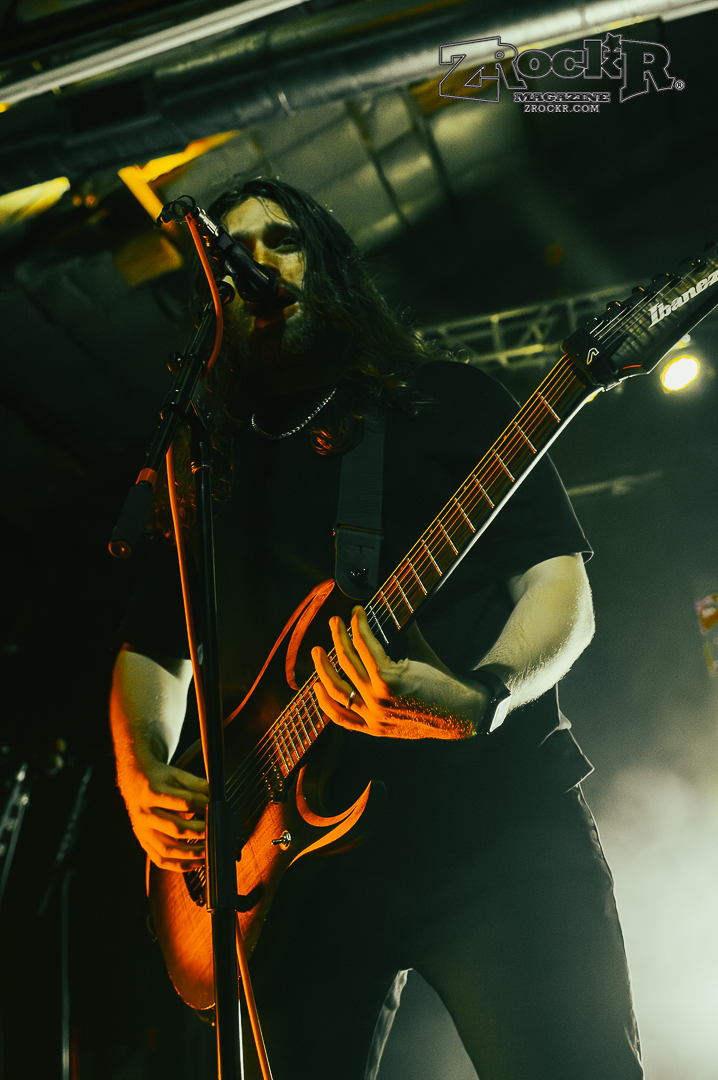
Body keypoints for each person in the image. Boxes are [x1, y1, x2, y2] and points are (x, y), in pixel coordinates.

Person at [110, 178, 644, 1079]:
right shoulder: (204, 463)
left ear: (330, 264)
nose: (255, 266)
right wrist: (140, 775)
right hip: (296, 877)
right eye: (230, 261)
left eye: (280, 241)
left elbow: (560, 589)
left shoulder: (446, 399)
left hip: (493, 828)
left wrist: (481, 696)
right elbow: (151, 647)